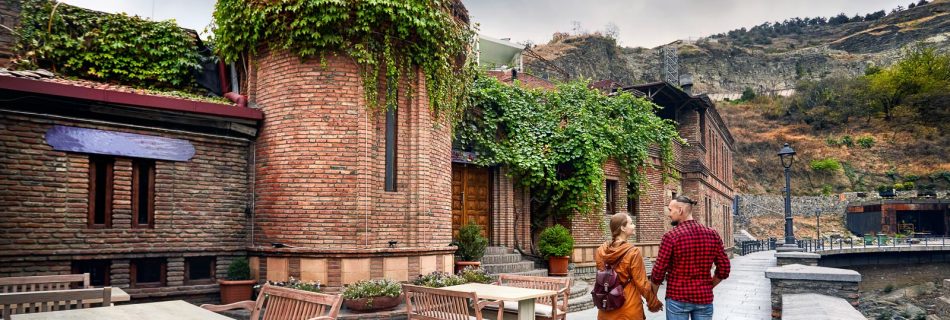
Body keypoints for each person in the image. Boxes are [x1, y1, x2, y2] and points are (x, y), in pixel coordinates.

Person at [650, 195, 731, 320]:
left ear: (680, 210)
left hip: (677, 298)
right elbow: (724, 268)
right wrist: (708, 286)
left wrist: (653, 297)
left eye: (671, 210)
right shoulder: (712, 234)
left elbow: (658, 272)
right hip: (704, 298)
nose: (669, 214)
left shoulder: (671, 236)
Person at [595, 213, 663, 320]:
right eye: (631, 223)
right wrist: (653, 303)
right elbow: (641, 283)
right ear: (622, 228)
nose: (634, 225)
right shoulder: (633, 252)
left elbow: (604, 278)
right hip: (628, 306)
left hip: (607, 306)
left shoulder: (601, 251)